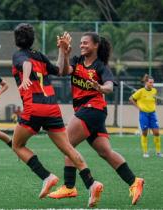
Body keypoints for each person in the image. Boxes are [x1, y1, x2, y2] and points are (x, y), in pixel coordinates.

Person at [11, 23, 103, 207]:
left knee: (17, 145)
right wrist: (62, 50)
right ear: (33, 39)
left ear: (16, 40)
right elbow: (61, 71)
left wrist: (27, 77)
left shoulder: (19, 56)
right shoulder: (40, 55)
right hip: (52, 107)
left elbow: (26, 64)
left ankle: (47, 176)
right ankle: (91, 183)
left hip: (33, 107)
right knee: (68, 148)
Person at [48, 32, 144, 205]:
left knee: (66, 143)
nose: (82, 45)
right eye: (81, 43)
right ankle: (134, 181)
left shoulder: (101, 67)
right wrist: (63, 51)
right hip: (92, 113)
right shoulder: (76, 61)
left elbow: (108, 87)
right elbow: (61, 72)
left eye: (85, 43)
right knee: (105, 152)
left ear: (95, 46)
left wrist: (100, 87)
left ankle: (70, 186)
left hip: (93, 109)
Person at [129, 74, 162, 158]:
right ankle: (145, 152)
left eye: (153, 83)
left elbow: (155, 99)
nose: (152, 84)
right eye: (150, 82)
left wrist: (154, 104)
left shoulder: (154, 91)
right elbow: (131, 98)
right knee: (144, 133)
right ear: (146, 83)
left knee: (157, 133)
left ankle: (158, 152)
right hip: (143, 114)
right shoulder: (140, 91)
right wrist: (138, 107)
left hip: (152, 114)